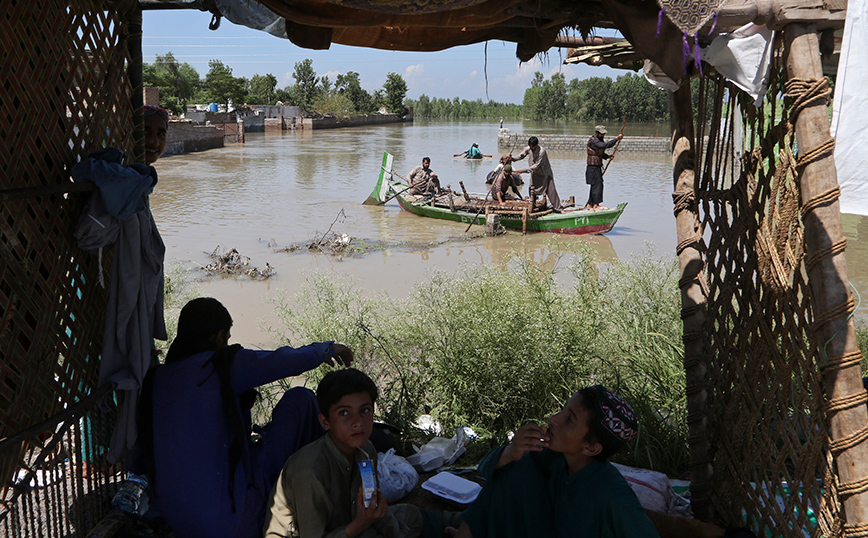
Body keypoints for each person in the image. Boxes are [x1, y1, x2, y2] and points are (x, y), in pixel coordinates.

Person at [142, 297, 354, 538]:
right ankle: (321, 492)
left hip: (178, 522)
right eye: (227, 337)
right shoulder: (220, 365)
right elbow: (283, 360)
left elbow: (141, 461)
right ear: (219, 337)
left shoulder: (155, 381)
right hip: (232, 522)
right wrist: (327, 349)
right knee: (301, 400)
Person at [454, 385, 660, 538]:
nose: (554, 418)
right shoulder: (556, 459)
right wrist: (511, 451)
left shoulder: (612, 495)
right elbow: (486, 469)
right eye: (563, 409)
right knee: (515, 466)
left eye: (569, 419)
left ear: (590, 448)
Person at [263, 368, 424, 538]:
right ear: (325, 422)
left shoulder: (366, 450)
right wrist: (362, 523)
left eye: (365, 410)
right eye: (344, 413)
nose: (357, 422)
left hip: (345, 522)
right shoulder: (309, 471)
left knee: (411, 516)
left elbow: (370, 505)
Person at [510, 136, 563, 213]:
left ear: (537, 144)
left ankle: (558, 208)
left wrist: (523, 170)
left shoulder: (542, 151)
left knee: (551, 190)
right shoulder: (528, 148)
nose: (532, 149)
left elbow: (536, 166)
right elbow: (521, 156)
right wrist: (512, 158)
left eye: (533, 148)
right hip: (535, 173)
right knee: (532, 189)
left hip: (545, 173)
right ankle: (533, 205)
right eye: (531, 148)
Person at [586, 125, 623, 211]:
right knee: (597, 184)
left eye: (603, 134)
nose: (603, 136)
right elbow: (604, 146)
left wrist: (607, 157)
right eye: (601, 134)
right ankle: (595, 205)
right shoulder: (594, 141)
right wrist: (616, 139)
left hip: (596, 166)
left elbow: (599, 153)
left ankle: (590, 204)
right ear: (596, 133)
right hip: (593, 167)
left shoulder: (598, 141)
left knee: (596, 184)